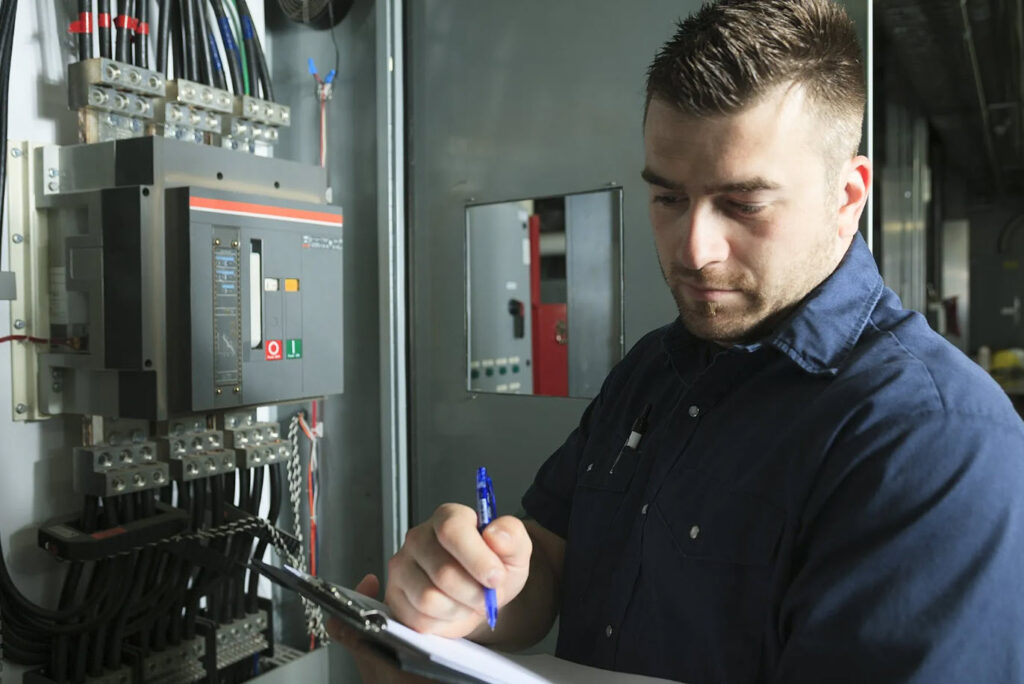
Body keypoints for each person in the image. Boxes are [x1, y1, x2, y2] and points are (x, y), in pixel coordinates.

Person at [332, 0, 1024, 681]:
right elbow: (549, 562)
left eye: (742, 204)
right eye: (668, 198)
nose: (694, 250)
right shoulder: (654, 370)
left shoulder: (935, 440)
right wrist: (475, 590)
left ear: (848, 195)